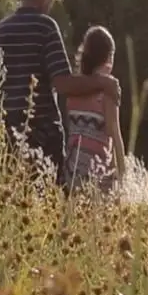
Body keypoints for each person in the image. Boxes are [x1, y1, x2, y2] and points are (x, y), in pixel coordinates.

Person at [0, 0, 120, 185]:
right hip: (41, 138)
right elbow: (63, 83)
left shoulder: (0, 31)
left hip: (5, 139)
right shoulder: (45, 27)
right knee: (45, 211)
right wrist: (103, 82)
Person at [62, 26, 126, 195]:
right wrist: (123, 175)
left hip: (72, 170)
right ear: (109, 57)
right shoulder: (108, 90)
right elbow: (115, 133)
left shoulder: (75, 89)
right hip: (97, 173)